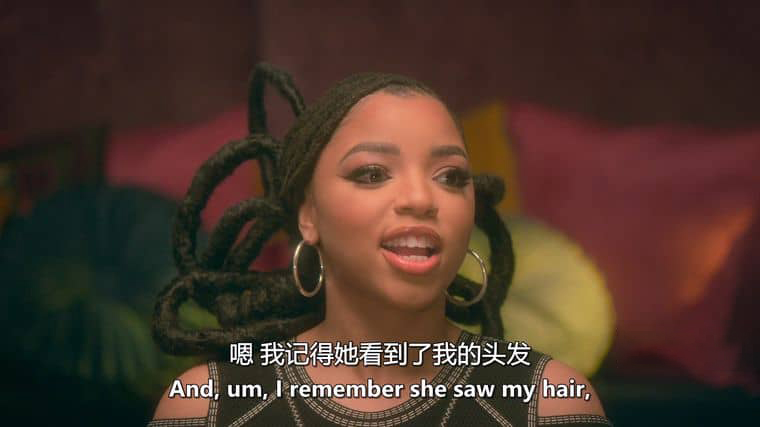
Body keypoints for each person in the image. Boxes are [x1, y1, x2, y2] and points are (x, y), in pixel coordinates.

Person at [148, 63, 612, 426]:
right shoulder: (206, 407)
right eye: (372, 173)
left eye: (450, 177)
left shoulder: (549, 403)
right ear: (308, 215)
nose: (421, 199)